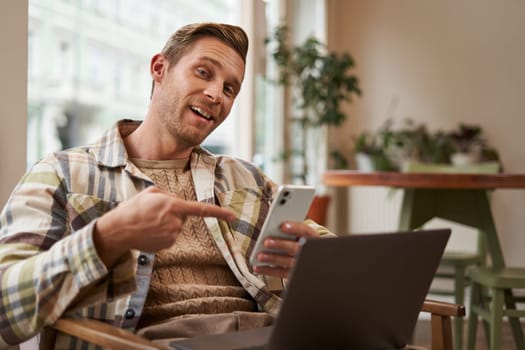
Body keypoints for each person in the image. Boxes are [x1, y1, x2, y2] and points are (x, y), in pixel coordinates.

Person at [0, 22, 330, 348]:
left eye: (230, 89)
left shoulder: (246, 179)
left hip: (268, 336)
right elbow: (6, 310)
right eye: (203, 72)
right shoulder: (62, 173)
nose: (216, 94)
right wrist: (106, 237)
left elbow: (338, 257)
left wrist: (314, 259)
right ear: (160, 68)